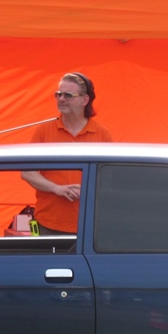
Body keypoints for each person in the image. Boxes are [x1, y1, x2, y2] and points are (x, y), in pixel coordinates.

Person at [21, 72, 113, 234]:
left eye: (68, 95)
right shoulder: (44, 131)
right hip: (48, 223)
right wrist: (56, 188)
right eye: (58, 94)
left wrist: (88, 189)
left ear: (85, 100)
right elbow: (27, 172)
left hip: (90, 225)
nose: (61, 99)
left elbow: (111, 179)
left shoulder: (102, 135)